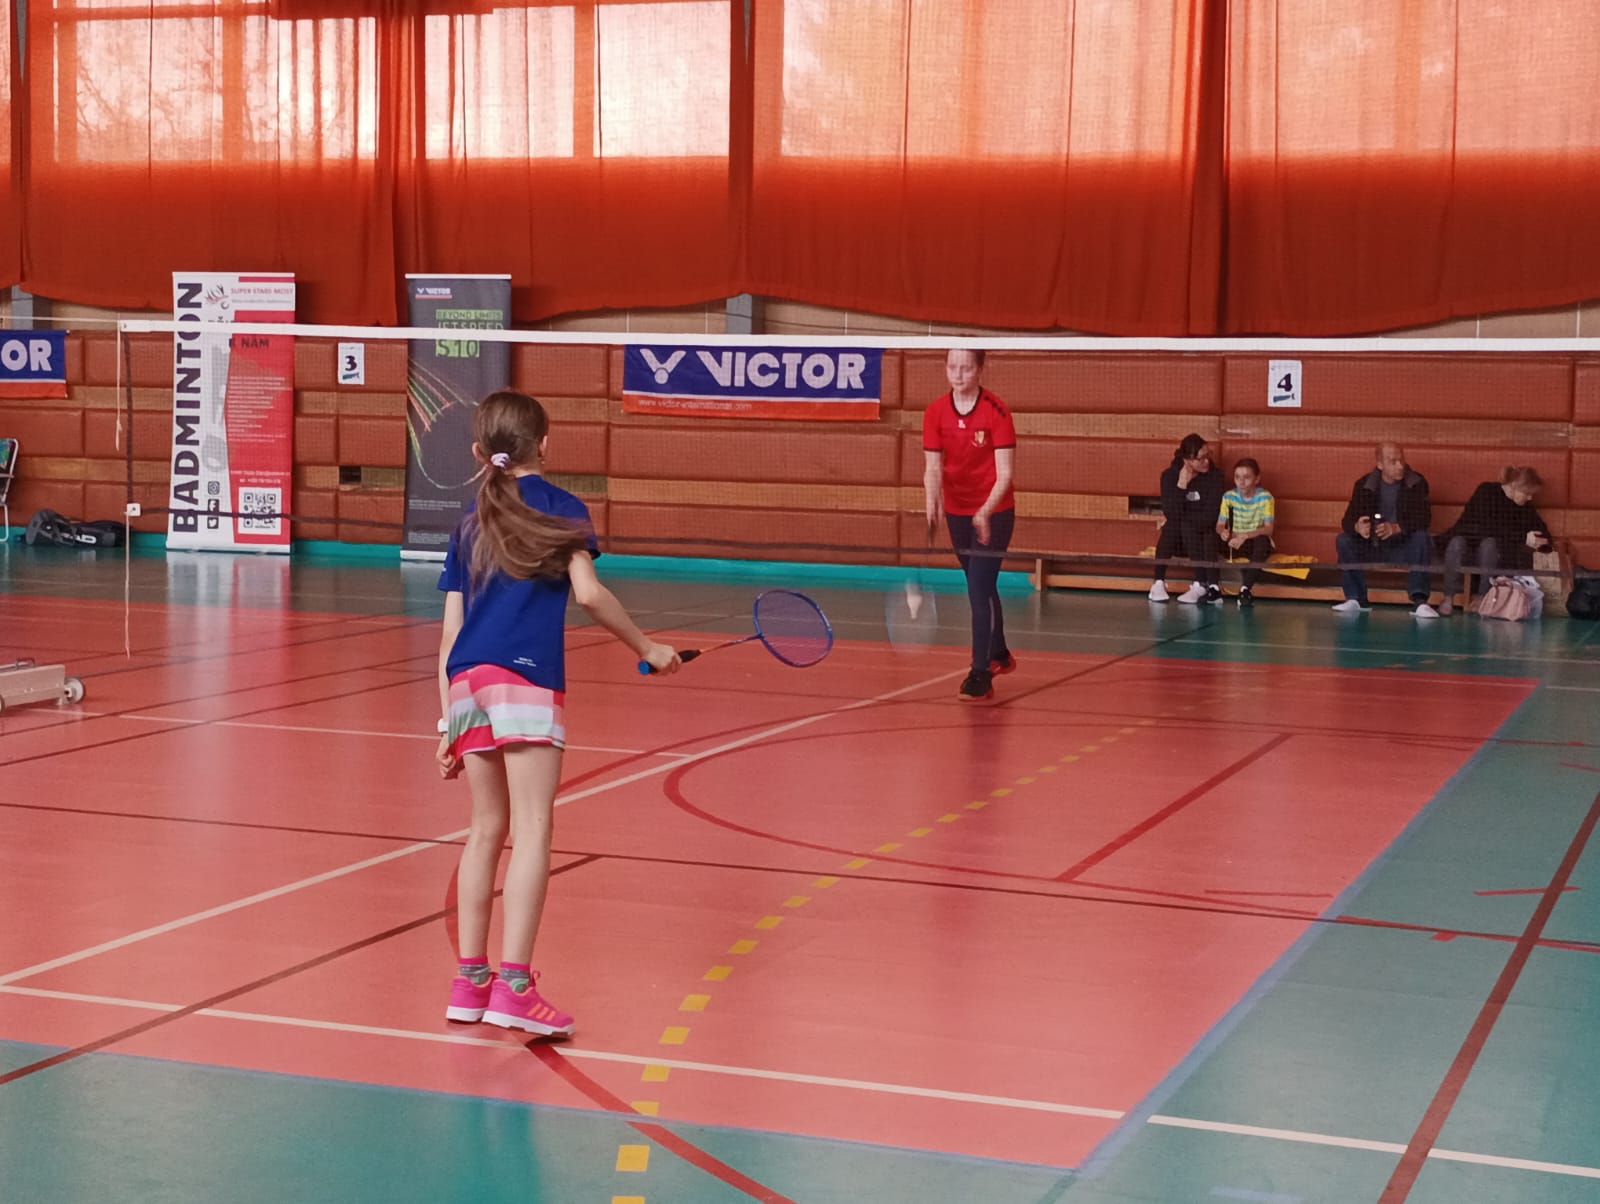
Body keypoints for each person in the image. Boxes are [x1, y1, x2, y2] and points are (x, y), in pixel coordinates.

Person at [436, 390, 679, 1036]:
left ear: (480, 451)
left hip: (466, 684)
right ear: (545, 444)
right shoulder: (564, 509)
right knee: (534, 826)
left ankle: (470, 981)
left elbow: (450, 634)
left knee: (485, 829)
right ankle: (514, 987)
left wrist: (445, 722)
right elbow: (590, 595)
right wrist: (648, 648)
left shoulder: (469, 521)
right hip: (524, 678)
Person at [923, 348, 1017, 701]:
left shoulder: (997, 411)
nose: (958, 374)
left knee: (978, 587)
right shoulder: (935, 412)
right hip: (957, 512)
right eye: (952, 367)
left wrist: (985, 511)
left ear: (980, 369)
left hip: (995, 512)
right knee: (981, 584)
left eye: (965, 368)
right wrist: (931, 499)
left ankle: (980, 672)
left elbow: (1005, 474)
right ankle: (1000, 654)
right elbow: (933, 467)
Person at [1333, 443, 1437, 618]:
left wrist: (1398, 527)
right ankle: (1356, 598)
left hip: (1403, 548)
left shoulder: (1416, 482)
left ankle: (1420, 601)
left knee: (1421, 538)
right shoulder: (1364, 484)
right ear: (1380, 464)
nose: (1400, 466)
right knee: (1343, 540)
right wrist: (1358, 527)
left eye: (1401, 460)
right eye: (1393, 461)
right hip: (1372, 547)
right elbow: (1347, 521)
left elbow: (1424, 518)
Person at [1437, 466, 1551, 616]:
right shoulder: (1486, 492)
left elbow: (1543, 532)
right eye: (1527, 493)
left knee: (1489, 545)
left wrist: (1539, 542)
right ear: (1515, 486)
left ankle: (1482, 597)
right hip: (1467, 549)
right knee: (1457, 543)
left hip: (1494, 558)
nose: (1530, 498)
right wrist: (1523, 537)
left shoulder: (1525, 508)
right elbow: (1486, 527)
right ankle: (1447, 597)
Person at [1149, 433, 1225, 605]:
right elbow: (1171, 513)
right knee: (1171, 526)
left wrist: (1184, 519)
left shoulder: (1216, 477)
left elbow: (1211, 516)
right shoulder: (1169, 476)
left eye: (1208, 455)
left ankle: (1200, 583)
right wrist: (1182, 485)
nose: (1207, 461)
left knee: (1186, 525)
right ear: (1187, 460)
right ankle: (1158, 583)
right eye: (1200, 459)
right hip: (1178, 540)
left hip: (1202, 539)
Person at [1215, 457, 1275, 608]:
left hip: (1252, 543)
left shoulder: (1265, 497)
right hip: (1232, 543)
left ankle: (1245, 589)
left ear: (1257, 479)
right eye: (1237, 477)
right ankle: (1213, 587)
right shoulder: (1228, 496)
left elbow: (1269, 529)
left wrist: (1245, 536)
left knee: (1263, 541)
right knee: (1209, 538)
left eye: (1247, 477)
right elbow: (1219, 525)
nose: (1241, 482)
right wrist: (1223, 533)